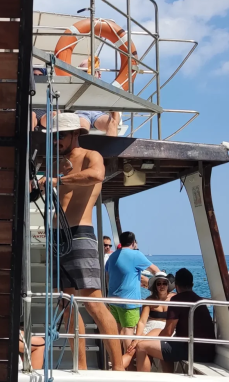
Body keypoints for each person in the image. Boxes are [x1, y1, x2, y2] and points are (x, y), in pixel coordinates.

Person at [37, 112, 124, 371]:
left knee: (93, 302)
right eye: (53, 136)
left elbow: (96, 175)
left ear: (75, 134)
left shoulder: (90, 156)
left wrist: (57, 179)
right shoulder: (56, 164)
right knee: (66, 304)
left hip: (81, 234)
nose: (56, 141)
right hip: (56, 236)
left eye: (61, 135)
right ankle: (81, 367)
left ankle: (119, 368)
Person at [135, 268, 216, 372]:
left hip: (191, 350)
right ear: (192, 284)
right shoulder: (199, 300)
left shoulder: (177, 300)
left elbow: (168, 333)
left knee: (142, 346)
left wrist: (150, 340)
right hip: (208, 351)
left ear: (176, 285)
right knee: (163, 348)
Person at [104, 232, 161, 357]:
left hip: (112, 300)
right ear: (134, 242)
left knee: (118, 331)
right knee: (128, 331)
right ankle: (128, 364)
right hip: (129, 302)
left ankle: (117, 360)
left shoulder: (112, 256)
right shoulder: (136, 255)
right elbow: (155, 270)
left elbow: (108, 277)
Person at [127, 273, 174, 365]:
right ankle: (118, 369)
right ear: (155, 286)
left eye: (164, 283)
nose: (161, 286)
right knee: (133, 349)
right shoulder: (150, 300)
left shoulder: (174, 299)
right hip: (149, 327)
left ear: (168, 285)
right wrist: (137, 338)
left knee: (145, 345)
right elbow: (142, 321)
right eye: (158, 283)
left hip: (165, 329)